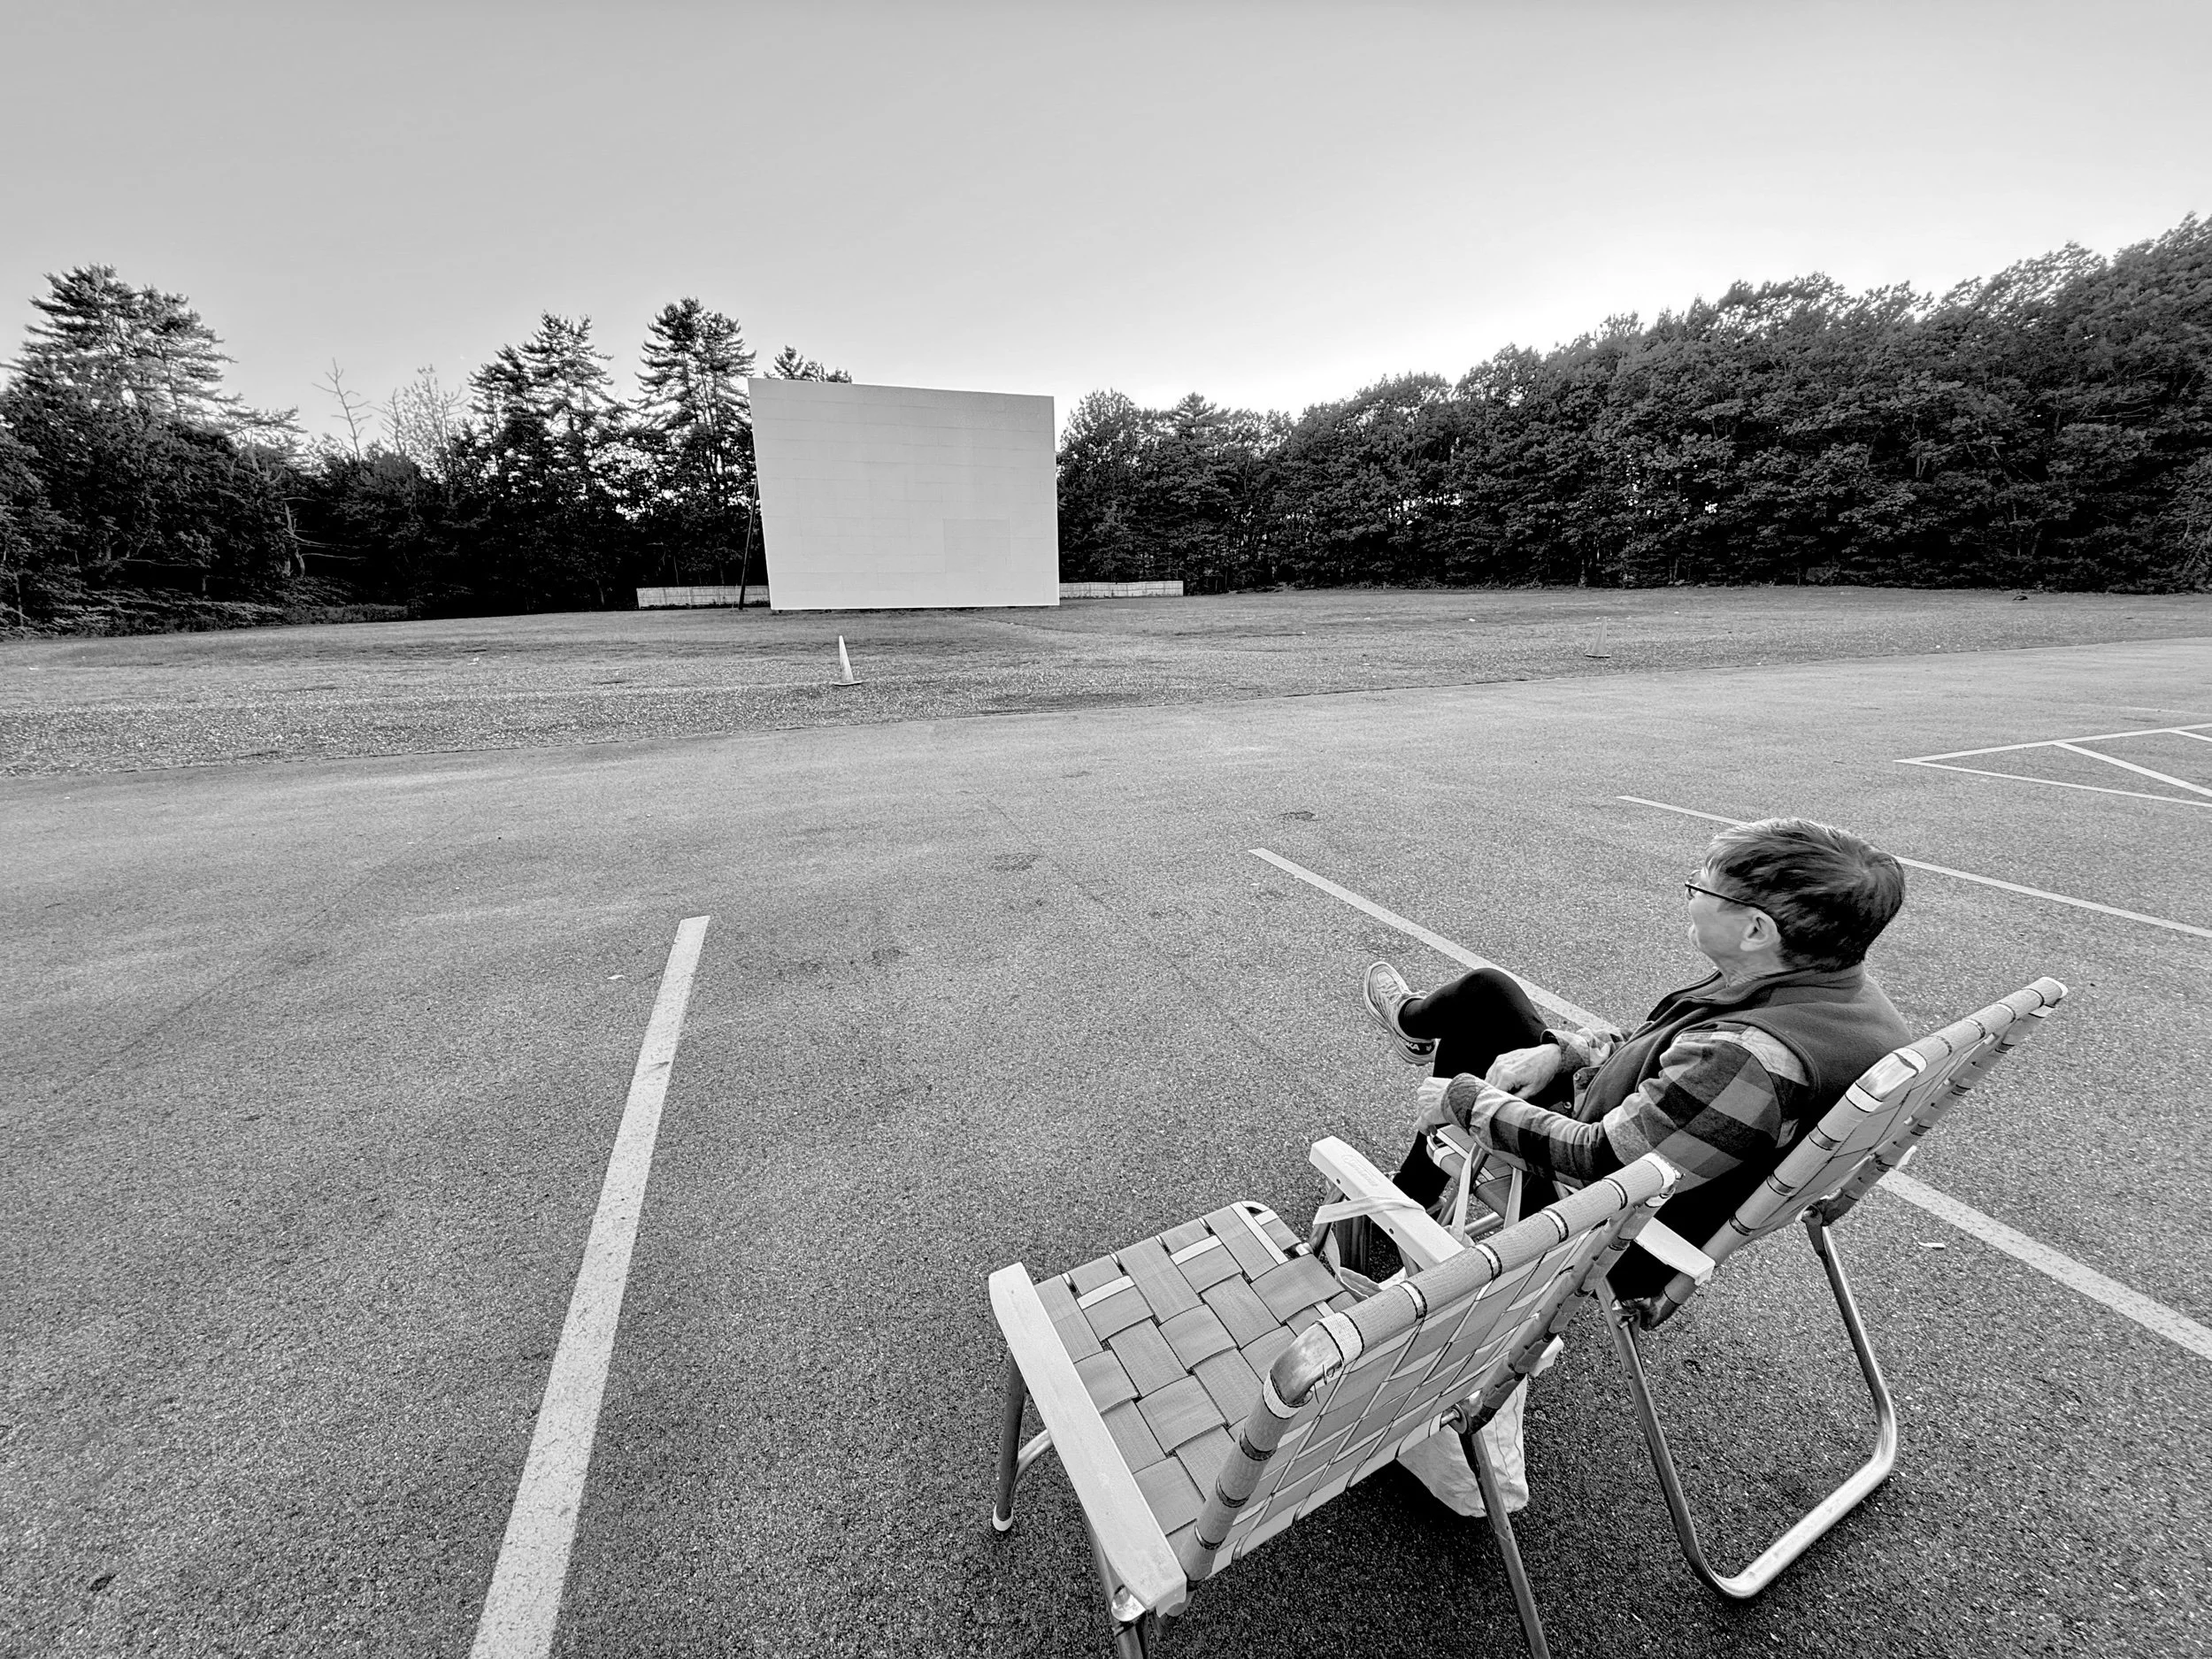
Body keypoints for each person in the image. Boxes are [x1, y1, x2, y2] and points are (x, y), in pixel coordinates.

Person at [1351, 817, 1912, 1297]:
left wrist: (1464, 1098)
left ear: (1755, 928)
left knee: (1476, 1022)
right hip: (1655, 1160)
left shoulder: (1747, 1059)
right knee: (1488, 994)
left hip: (1612, 1227)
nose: (1691, 895)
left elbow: (1602, 1163)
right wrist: (1562, 1054)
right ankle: (1412, 1162)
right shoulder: (1839, 997)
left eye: (1700, 888)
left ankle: (1403, 1197)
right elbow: (1670, 1059)